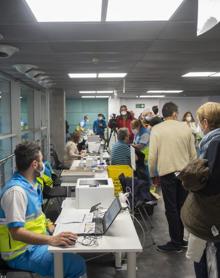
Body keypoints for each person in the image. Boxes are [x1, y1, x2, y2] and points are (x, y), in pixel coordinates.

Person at [0, 142, 86, 277]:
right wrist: (51, 240)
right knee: (76, 264)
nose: (43, 165)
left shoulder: (31, 185)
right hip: (21, 253)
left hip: (36, 244)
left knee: (73, 243)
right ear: (34, 164)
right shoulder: (16, 192)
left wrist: (50, 226)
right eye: (41, 161)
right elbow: (16, 232)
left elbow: (36, 216)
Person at [148, 102, 197, 252]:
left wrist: (152, 174)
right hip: (184, 173)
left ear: (163, 114)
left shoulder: (156, 129)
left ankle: (175, 243)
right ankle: (181, 240)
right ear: (175, 114)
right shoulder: (185, 127)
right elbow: (193, 154)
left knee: (171, 208)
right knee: (182, 207)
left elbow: (152, 156)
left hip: (167, 173)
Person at [180, 102, 220, 278]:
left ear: (205, 122)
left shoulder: (214, 143)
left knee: (203, 256)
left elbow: (208, 183)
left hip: (209, 213)